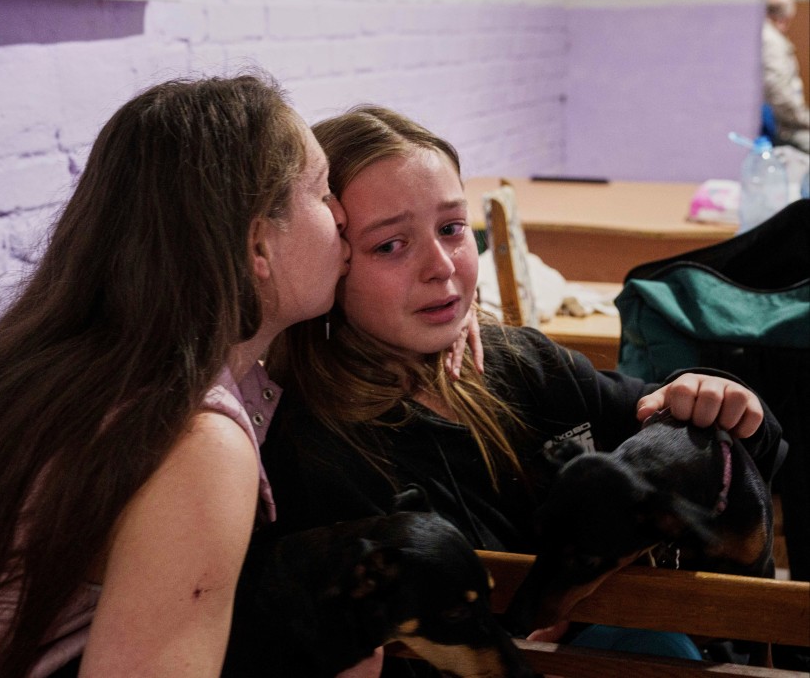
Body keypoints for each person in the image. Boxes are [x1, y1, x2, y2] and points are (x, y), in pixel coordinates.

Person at [0, 74, 351, 678]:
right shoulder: (193, 441)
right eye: (322, 193)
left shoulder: (73, 357)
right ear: (257, 247)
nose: (342, 215)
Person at [260, 105, 784, 676]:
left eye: (452, 228)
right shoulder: (319, 452)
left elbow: (749, 453)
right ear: (330, 259)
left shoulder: (519, 363)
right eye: (390, 245)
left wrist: (720, 398)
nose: (442, 267)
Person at [763, 0, 810, 153]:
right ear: (784, 18)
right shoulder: (771, 41)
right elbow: (780, 95)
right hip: (785, 127)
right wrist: (804, 119)